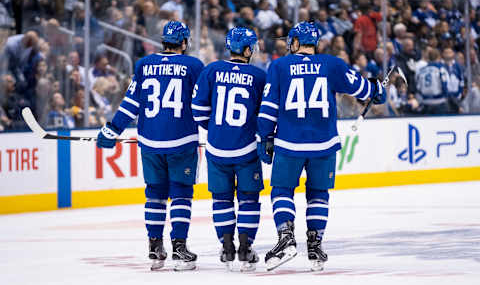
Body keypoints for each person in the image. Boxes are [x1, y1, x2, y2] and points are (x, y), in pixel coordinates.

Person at [257, 22, 386, 271]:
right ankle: (315, 246)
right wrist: (376, 88)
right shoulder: (332, 64)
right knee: (318, 194)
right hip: (324, 144)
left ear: (295, 43)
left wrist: (265, 135)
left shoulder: (280, 66)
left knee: (282, 190)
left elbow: (268, 108)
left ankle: (286, 238)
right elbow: (360, 88)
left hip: (289, 143)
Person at [96, 21, 204, 271]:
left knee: (154, 194)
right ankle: (179, 248)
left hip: (150, 144)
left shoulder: (144, 64)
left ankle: (155, 247)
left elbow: (132, 102)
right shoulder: (193, 65)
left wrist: (113, 128)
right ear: (184, 43)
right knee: (181, 194)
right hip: (182, 142)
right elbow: (202, 104)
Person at [191, 27, 266, 271]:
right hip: (246, 150)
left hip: (217, 149)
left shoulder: (211, 69)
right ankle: (245, 247)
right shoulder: (258, 75)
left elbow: (199, 111)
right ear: (247, 49)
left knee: (221, 199)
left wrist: (214, 129)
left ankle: (226, 246)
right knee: (248, 200)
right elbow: (265, 116)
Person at [415, 48, 449, 114]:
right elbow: (445, 84)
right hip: (439, 102)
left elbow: (418, 86)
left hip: (426, 102)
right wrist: (445, 96)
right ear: (439, 57)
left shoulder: (421, 70)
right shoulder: (441, 69)